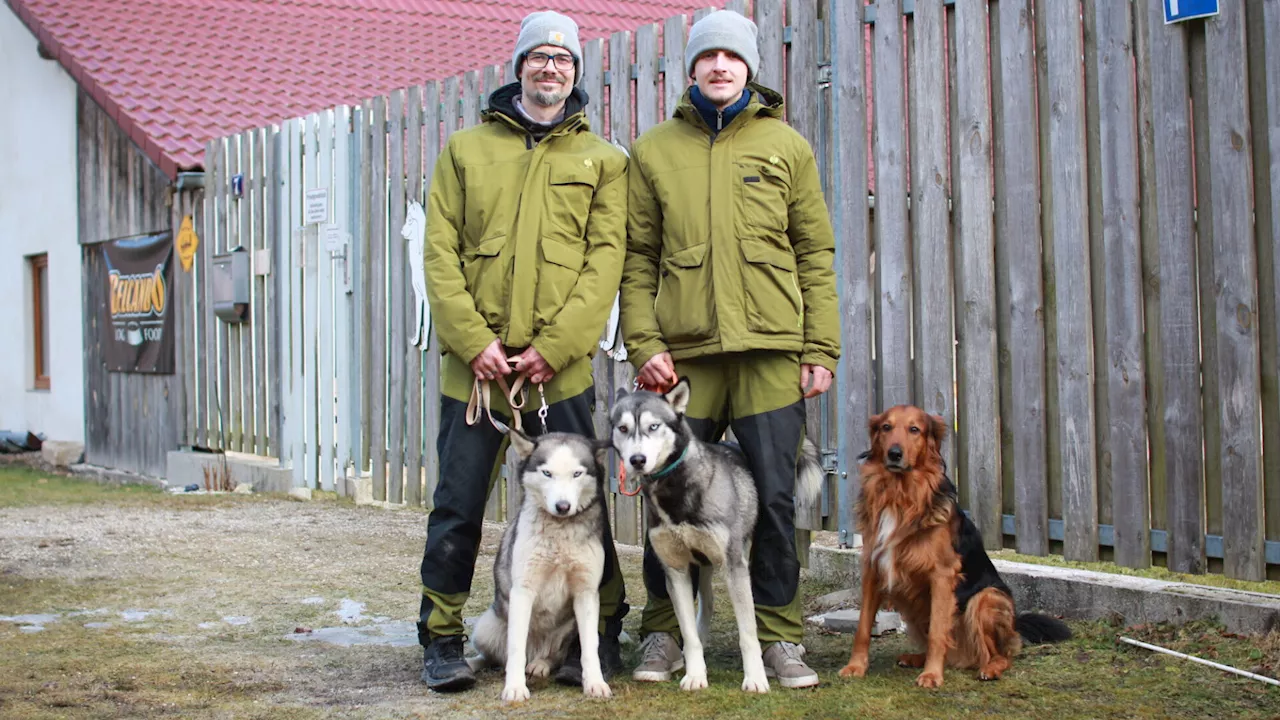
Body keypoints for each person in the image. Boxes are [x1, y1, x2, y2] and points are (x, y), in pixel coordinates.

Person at [619, 9, 840, 690]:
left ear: (749, 68)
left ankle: (777, 639)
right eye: (707, 56)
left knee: (773, 497)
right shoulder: (654, 150)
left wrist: (820, 346)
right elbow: (636, 259)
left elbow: (816, 253)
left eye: (732, 57)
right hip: (684, 358)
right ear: (691, 68)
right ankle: (663, 635)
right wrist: (644, 344)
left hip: (772, 351)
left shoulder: (786, 146)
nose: (719, 66)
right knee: (666, 494)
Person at [416, 9, 629, 692]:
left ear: (576, 71)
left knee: (585, 503)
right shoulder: (465, 151)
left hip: (556, 371)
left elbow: (605, 263)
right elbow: (439, 252)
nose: (550, 67)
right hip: (473, 374)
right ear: (519, 68)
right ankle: (442, 637)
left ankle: (598, 638)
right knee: (459, 502)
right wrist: (473, 342)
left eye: (563, 59)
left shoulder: (603, 160)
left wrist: (555, 346)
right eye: (538, 56)